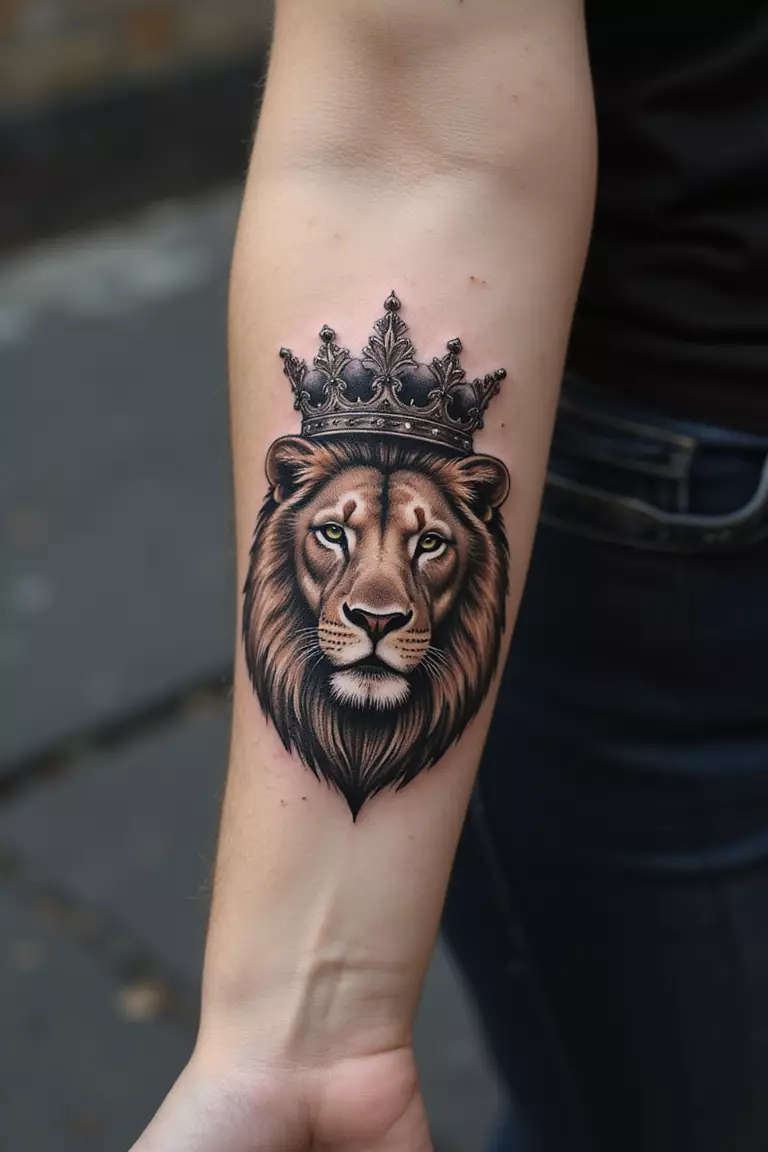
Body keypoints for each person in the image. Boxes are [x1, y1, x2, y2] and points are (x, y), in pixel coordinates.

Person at [131, 1, 768, 1150]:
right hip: (696, 487)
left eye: (424, 547)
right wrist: (305, 1025)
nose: (378, 598)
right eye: (332, 540)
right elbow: (411, 129)